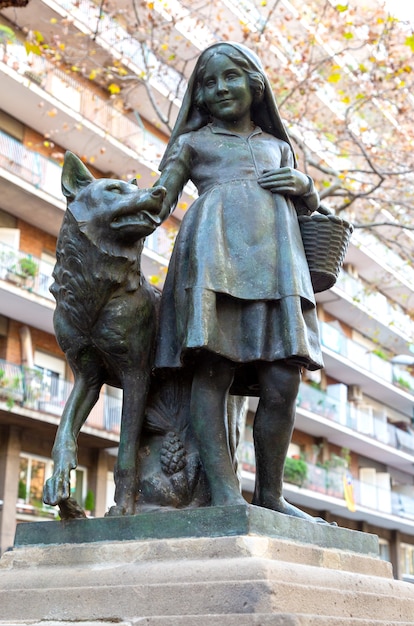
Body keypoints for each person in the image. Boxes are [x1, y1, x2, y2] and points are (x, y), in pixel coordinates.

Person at [153, 42, 324, 520]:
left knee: (282, 380)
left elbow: (312, 213)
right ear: (199, 97)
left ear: (255, 83)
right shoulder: (193, 144)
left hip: (276, 267)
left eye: (229, 77)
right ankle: (227, 494)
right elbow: (159, 200)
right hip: (214, 258)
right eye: (208, 83)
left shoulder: (278, 146)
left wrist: (307, 189)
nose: (219, 88)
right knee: (213, 371)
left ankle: (271, 494)